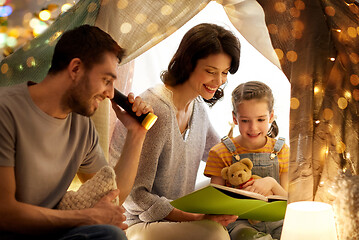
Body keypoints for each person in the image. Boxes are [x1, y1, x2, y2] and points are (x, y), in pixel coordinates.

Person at [0, 25, 153, 240]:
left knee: (108, 233)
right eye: (106, 80)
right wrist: (87, 217)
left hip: (51, 234)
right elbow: (5, 213)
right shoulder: (5, 111)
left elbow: (112, 196)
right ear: (75, 69)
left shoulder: (82, 126)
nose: (110, 93)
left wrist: (137, 133)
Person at [109, 23, 241, 240]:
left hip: (174, 214)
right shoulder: (157, 109)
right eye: (210, 71)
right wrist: (197, 218)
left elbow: (222, 156)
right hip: (137, 223)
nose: (219, 82)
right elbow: (136, 197)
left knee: (227, 187)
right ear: (188, 64)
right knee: (215, 234)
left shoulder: (196, 107)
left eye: (224, 73)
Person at [204, 81, 289, 240]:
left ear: (271, 117)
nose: (253, 128)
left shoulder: (282, 150)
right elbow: (214, 205)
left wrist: (271, 183)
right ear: (235, 118)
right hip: (240, 224)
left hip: (278, 222)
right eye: (245, 120)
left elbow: (288, 203)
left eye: (260, 120)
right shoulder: (220, 152)